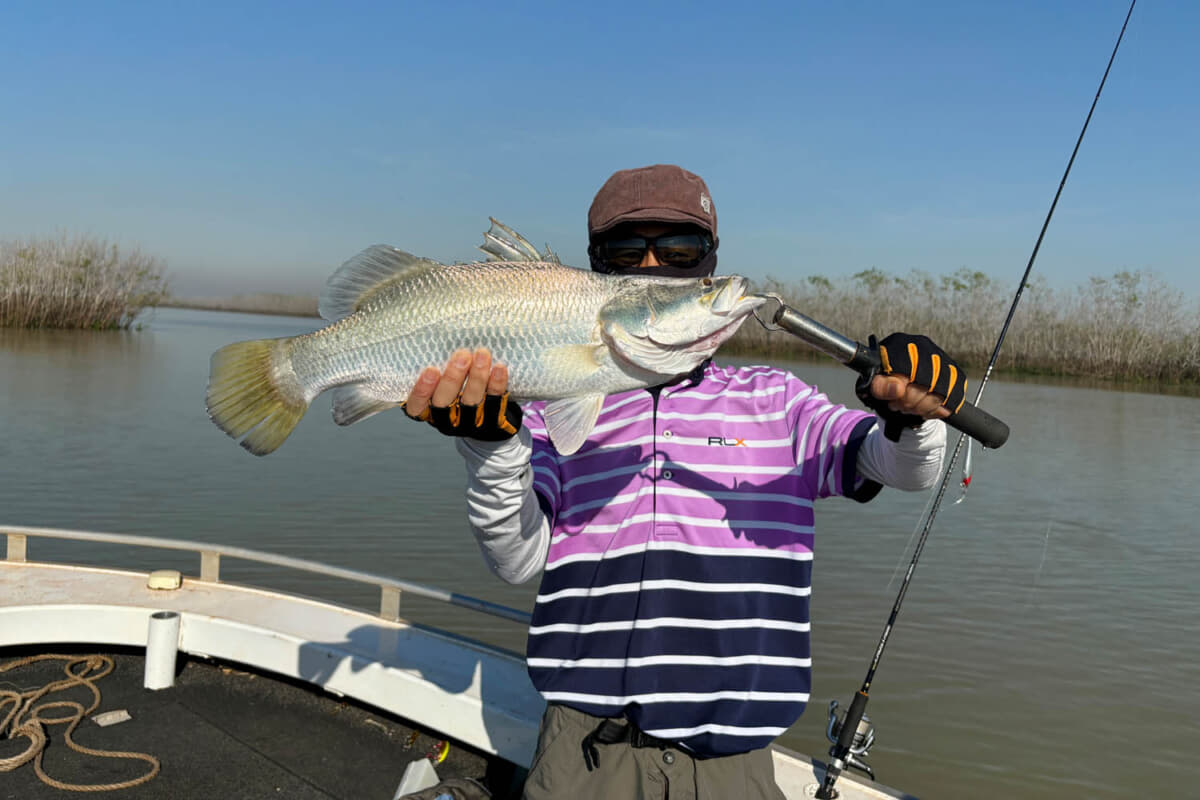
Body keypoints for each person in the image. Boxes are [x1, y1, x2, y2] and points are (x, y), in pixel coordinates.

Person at [403, 164, 963, 799]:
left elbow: (899, 468)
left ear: (708, 262)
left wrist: (913, 416)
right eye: (624, 250)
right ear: (595, 271)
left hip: (735, 771)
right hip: (580, 759)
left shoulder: (777, 402)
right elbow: (514, 560)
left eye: (679, 251)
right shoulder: (554, 406)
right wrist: (492, 447)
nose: (652, 266)